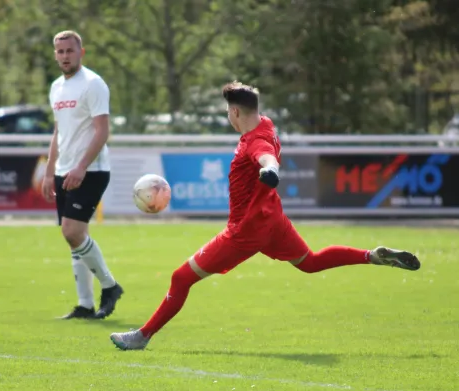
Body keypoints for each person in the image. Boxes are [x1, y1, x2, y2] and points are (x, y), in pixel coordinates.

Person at [110, 81, 420, 350]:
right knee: (309, 262)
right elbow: (266, 148)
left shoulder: (254, 141)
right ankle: (371, 256)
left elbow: (266, 156)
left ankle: (143, 335)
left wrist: (270, 170)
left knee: (181, 278)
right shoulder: (266, 124)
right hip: (273, 220)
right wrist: (268, 170)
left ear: (234, 112)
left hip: (245, 230)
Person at [42, 30, 123, 320]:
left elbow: (102, 130)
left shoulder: (93, 84)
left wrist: (81, 166)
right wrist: (50, 171)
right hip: (65, 171)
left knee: (72, 231)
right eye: (60, 51)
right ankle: (85, 305)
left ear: (81, 52)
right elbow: (58, 132)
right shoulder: (56, 87)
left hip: (91, 170)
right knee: (75, 238)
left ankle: (110, 286)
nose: (65, 56)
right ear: (55, 54)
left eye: (70, 51)